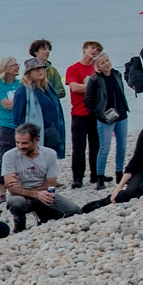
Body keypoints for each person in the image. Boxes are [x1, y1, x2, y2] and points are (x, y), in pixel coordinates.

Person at [2, 123, 80, 230]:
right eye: (17, 142)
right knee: (17, 202)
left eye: (25, 143)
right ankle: (19, 227)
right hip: (22, 197)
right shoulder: (9, 156)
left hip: (43, 195)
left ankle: (44, 217)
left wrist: (22, 189)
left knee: (74, 210)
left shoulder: (49, 154)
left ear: (36, 140)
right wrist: (36, 193)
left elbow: (51, 185)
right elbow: (12, 190)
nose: (20, 146)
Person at [84, 52, 129, 188]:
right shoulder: (95, 79)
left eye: (107, 61)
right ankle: (100, 176)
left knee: (122, 147)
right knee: (104, 148)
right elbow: (88, 99)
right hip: (105, 118)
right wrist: (97, 113)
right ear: (98, 66)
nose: (107, 64)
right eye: (103, 63)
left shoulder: (116, 74)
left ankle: (119, 172)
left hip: (121, 114)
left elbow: (121, 92)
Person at [12, 57, 67, 162]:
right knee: (37, 160)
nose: (40, 71)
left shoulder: (48, 87)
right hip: (35, 132)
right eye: (35, 69)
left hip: (52, 129)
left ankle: (50, 178)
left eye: (41, 68)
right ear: (28, 73)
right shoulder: (23, 91)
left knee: (51, 159)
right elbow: (18, 117)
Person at [64, 41, 102, 189]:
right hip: (79, 113)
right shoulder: (73, 69)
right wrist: (93, 87)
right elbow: (75, 87)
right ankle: (78, 177)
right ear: (84, 49)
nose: (94, 51)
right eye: (92, 48)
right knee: (78, 147)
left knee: (96, 146)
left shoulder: (97, 69)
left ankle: (96, 174)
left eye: (97, 50)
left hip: (96, 113)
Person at [0, 56, 22, 163]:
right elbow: (8, 105)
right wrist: (23, 103)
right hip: (7, 126)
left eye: (17, 64)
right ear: (5, 69)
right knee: (5, 157)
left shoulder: (20, 84)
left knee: (22, 155)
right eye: (14, 65)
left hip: (21, 125)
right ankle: (0, 179)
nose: (17, 67)